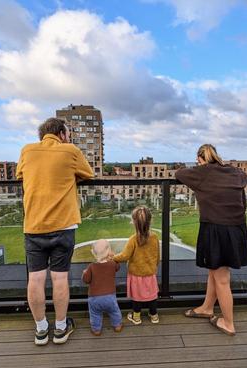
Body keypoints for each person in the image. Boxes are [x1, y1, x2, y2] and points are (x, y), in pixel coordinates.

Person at [16, 117, 94, 345]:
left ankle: (41, 329)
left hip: (34, 226)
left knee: (35, 279)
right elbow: (88, 173)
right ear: (61, 134)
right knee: (60, 278)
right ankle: (60, 328)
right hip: (63, 226)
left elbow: (21, 175)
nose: (68, 139)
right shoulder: (69, 150)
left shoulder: (27, 151)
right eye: (68, 135)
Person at [175, 144, 247, 336]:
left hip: (217, 229)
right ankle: (207, 308)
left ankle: (228, 323)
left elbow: (180, 174)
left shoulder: (202, 173)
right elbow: (244, 200)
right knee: (214, 272)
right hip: (236, 228)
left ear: (200, 159)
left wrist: (200, 168)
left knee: (222, 278)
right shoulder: (234, 172)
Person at [113, 206, 160, 325]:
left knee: (137, 297)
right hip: (150, 273)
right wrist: (154, 266)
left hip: (136, 275)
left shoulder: (133, 239)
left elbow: (124, 256)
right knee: (152, 296)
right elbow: (157, 255)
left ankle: (136, 317)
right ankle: (154, 315)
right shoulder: (154, 237)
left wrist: (113, 257)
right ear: (150, 221)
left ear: (134, 222)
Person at [82, 239, 123, 336]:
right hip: (110, 297)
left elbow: (86, 280)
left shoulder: (91, 266)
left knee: (95, 314)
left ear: (93, 253)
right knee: (114, 311)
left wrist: (84, 273)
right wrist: (113, 258)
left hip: (94, 298)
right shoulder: (112, 264)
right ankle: (117, 325)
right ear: (109, 251)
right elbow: (118, 267)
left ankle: (96, 330)